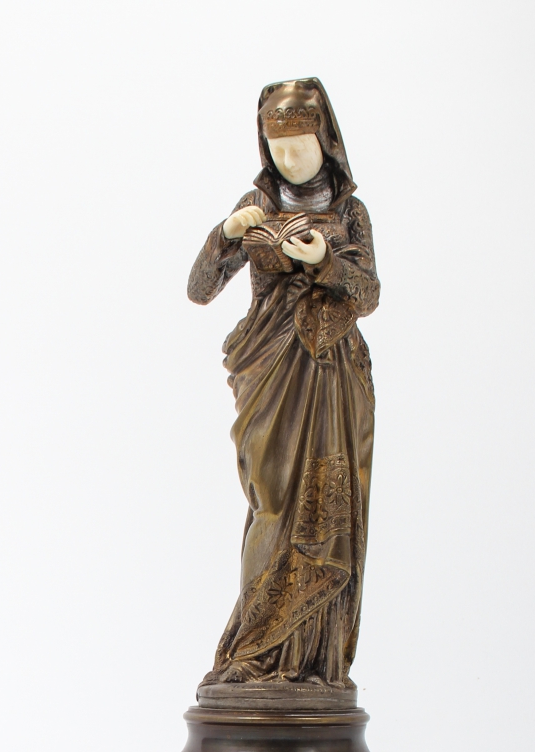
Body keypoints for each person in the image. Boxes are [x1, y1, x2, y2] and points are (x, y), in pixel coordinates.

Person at [188, 78, 380, 694]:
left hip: (331, 373)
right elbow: (199, 289)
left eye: (301, 144)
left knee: (326, 509)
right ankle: (252, 650)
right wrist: (225, 234)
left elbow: (368, 294)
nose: (290, 158)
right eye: (278, 147)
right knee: (270, 502)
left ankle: (314, 661)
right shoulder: (256, 202)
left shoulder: (350, 212)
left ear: (326, 140)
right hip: (269, 369)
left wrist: (325, 259)